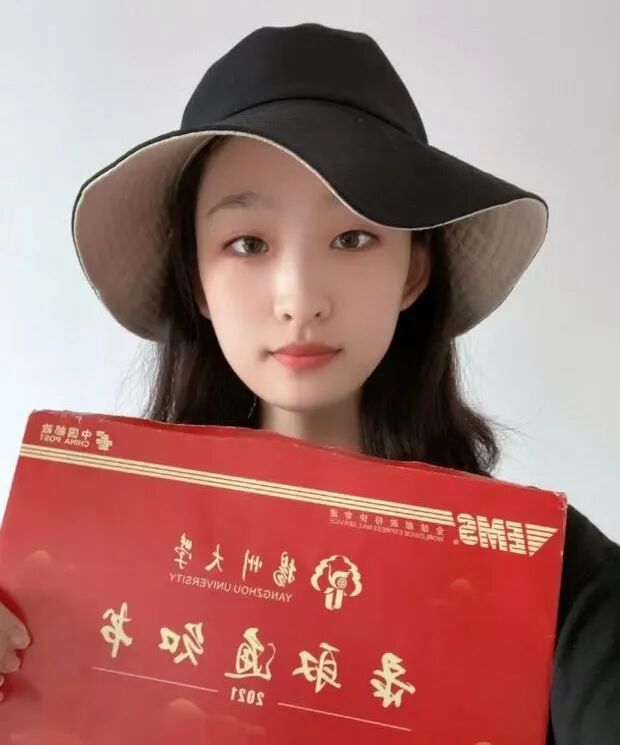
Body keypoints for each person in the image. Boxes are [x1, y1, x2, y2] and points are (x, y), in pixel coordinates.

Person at [2, 21, 619, 743]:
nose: (300, 297)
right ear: (196, 279)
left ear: (413, 270)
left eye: (353, 237)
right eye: (248, 243)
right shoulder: (66, 575)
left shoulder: (557, 586)